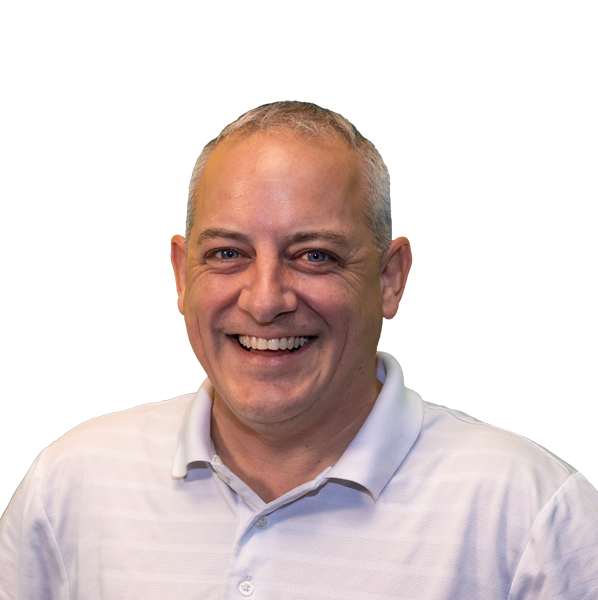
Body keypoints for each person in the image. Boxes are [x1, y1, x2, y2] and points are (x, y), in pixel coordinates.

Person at [1, 101, 597, 599]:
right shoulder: (69, 487)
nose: (265, 301)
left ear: (389, 280)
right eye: (228, 253)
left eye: (314, 255)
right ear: (183, 277)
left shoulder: (531, 517)